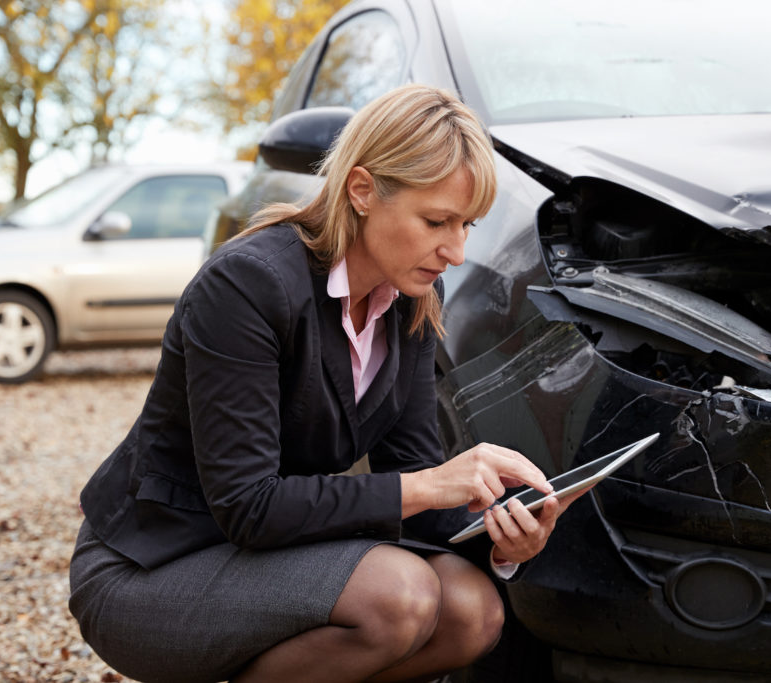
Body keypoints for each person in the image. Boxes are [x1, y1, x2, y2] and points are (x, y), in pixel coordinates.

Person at [68, 84, 588, 683]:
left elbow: (417, 486)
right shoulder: (246, 286)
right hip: (153, 567)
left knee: (472, 611)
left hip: (273, 561)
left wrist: (503, 540)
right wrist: (425, 486)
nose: (456, 251)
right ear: (362, 190)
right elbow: (249, 506)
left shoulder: (412, 299)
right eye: (436, 221)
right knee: (401, 596)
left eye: (466, 224)